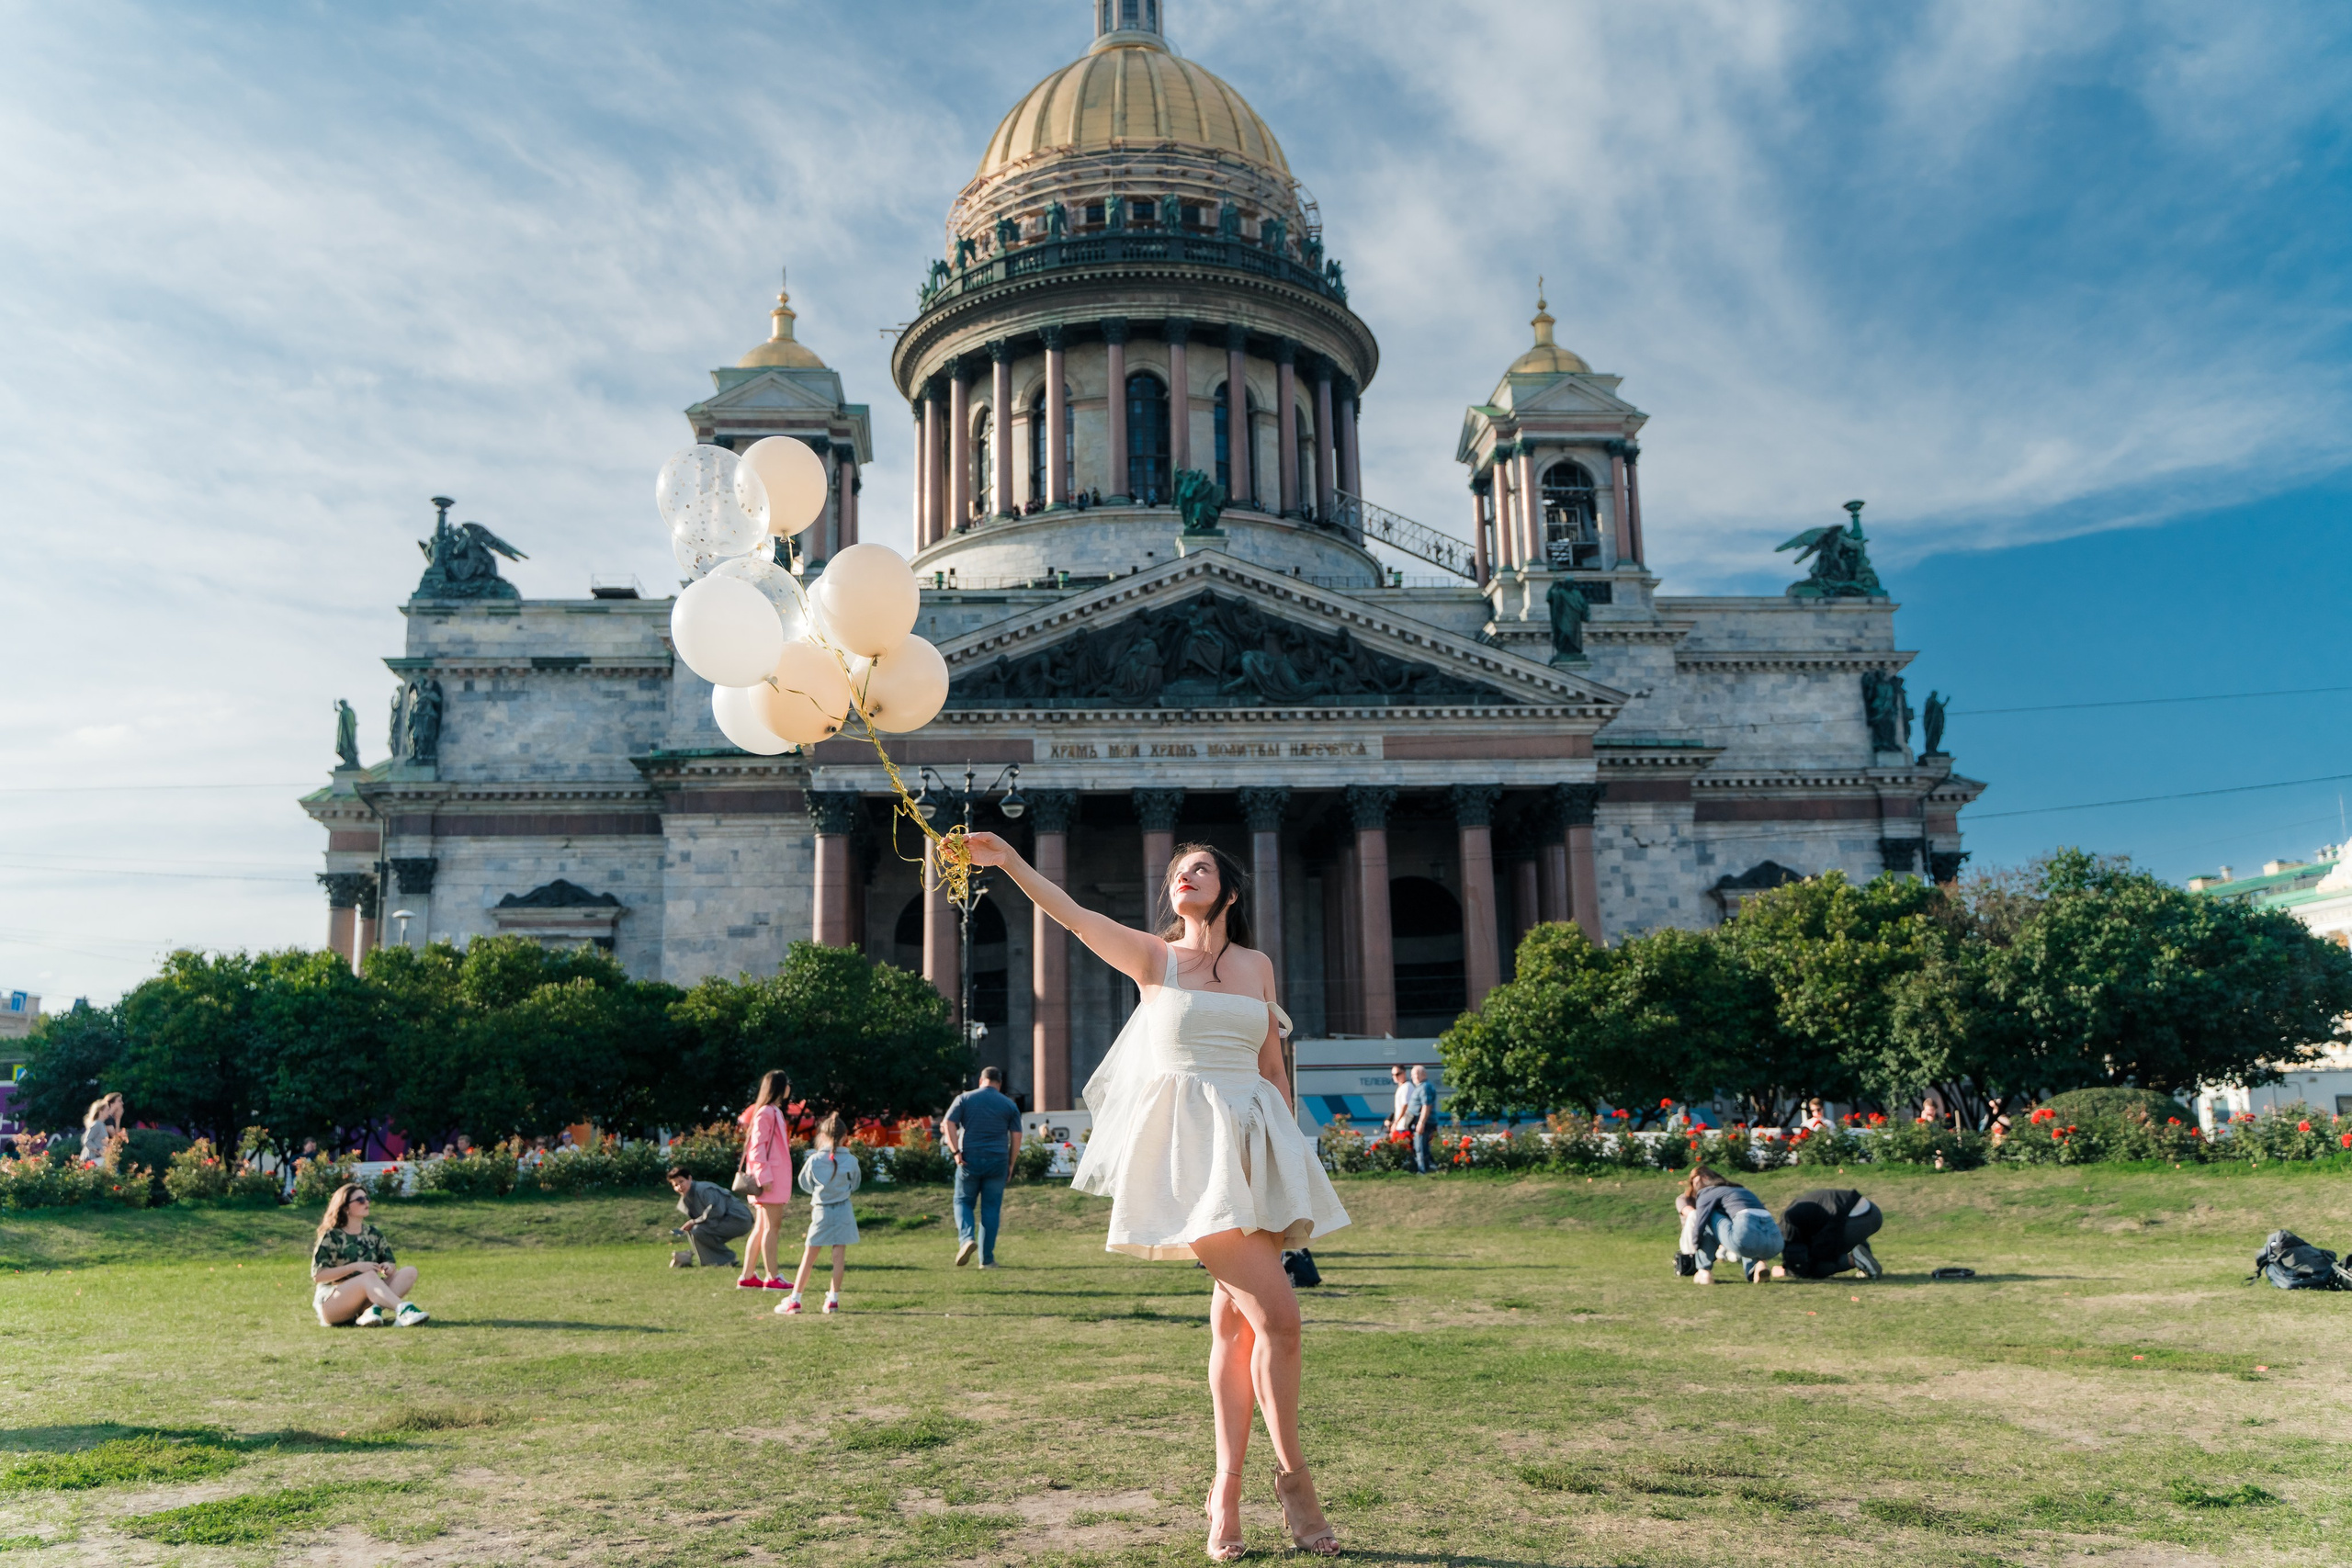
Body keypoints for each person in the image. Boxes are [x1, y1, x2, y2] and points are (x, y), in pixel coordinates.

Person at [959, 831, 1347, 1559]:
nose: (1183, 877)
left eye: (1198, 868)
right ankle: (1296, 1482)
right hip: (1189, 1154)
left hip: (1255, 1146)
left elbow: (1272, 1065)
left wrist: (1289, 1158)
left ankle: (1224, 1491)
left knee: (1235, 1330)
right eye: (1175, 872)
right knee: (1282, 1318)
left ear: (1228, 889)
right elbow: (1073, 915)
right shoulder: (1156, 958)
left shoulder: (1258, 964)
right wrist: (1010, 862)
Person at [779, 1112, 862, 1315]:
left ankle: (795, 1299)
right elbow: (856, 1183)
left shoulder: (815, 1159)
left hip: (821, 1211)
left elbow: (804, 1183)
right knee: (838, 1257)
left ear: (822, 1135)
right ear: (845, 1136)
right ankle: (833, 1300)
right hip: (843, 1209)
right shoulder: (851, 1160)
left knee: (809, 1256)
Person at [310, 1183, 427, 1326]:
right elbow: (319, 1276)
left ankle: (369, 1312)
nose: (366, 1202)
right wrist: (355, 1267)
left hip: (366, 1295)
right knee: (369, 1277)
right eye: (360, 1200)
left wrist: (388, 1267)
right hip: (332, 1301)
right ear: (345, 1207)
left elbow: (390, 1263)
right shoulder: (331, 1236)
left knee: (409, 1272)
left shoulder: (373, 1233)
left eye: (367, 1198)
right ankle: (402, 1309)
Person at [942, 1066, 1023, 1268]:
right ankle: (986, 1260)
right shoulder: (1009, 1104)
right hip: (998, 1160)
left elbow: (948, 1123)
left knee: (962, 1201)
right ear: (1000, 1083)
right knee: (991, 1209)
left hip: (970, 1158)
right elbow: (1017, 1135)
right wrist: (1011, 1163)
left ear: (981, 1080)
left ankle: (967, 1239)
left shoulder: (964, 1099)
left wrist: (955, 1152)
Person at [1674, 1164, 1783, 1285]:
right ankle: (1759, 1266)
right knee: (1742, 1229)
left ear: (1703, 1178)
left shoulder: (1706, 1192)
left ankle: (1704, 1272)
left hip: (1744, 1237)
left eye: (1694, 1183)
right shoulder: (1739, 1189)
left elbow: (1700, 1222)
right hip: (1775, 1242)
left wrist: (1695, 1245)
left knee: (1709, 1216)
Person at [737, 1071, 795, 1291]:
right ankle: (772, 1276)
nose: (789, 1087)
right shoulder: (767, 1112)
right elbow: (757, 1148)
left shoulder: (770, 1111)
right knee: (773, 1227)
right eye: (787, 1083)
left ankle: (748, 1276)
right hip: (770, 1180)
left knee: (762, 1227)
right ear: (780, 1088)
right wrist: (764, 1177)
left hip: (769, 1179)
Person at [1778, 1188, 1884, 1280]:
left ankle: (1856, 1260)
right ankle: (1864, 1256)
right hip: (1871, 1212)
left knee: (1816, 1267)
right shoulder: (1794, 1210)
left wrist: (1785, 1272)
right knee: (1824, 1244)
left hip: (1856, 1221)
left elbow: (1799, 1268)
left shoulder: (1788, 1225)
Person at [667, 1166, 753, 1269]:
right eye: (676, 1185)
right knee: (696, 1230)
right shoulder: (686, 1199)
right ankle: (716, 1261)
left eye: (681, 1181)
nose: (679, 1186)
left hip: (739, 1219)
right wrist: (693, 1223)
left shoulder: (704, 1189)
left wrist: (694, 1222)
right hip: (725, 1220)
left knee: (697, 1230)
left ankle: (727, 1259)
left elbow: (717, 1210)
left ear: (689, 1178)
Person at [1406, 1066, 1439, 1173]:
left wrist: (1421, 1122)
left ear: (1424, 1074)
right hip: (1422, 1121)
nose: (1413, 1077)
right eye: (1412, 1075)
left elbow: (1426, 1105)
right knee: (1422, 1147)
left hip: (1424, 1122)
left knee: (1419, 1146)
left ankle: (1422, 1171)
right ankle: (1427, 1168)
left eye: (1415, 1074)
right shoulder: (1422, 1086)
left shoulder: (1424, 1087)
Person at [80, 1093, 123, 1163]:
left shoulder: (101, 1124)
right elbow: (87, 1140)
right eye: (107, 1110)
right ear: (101, 1112)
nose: (109, 1112)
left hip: (97, 1160)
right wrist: (98, 1150)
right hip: (91, 1160)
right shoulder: (97, 1124)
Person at [1385, 1065, 1409, 1135]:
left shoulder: (1407, 1086)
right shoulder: (1401, 1087)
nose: (1395, 1077)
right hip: (1400, 1125)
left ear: (1404, 1073)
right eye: (1393, 1075)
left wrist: (1396, 1122)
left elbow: (1405, 1106)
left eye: (1398, 1074)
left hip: (1405, 1125)